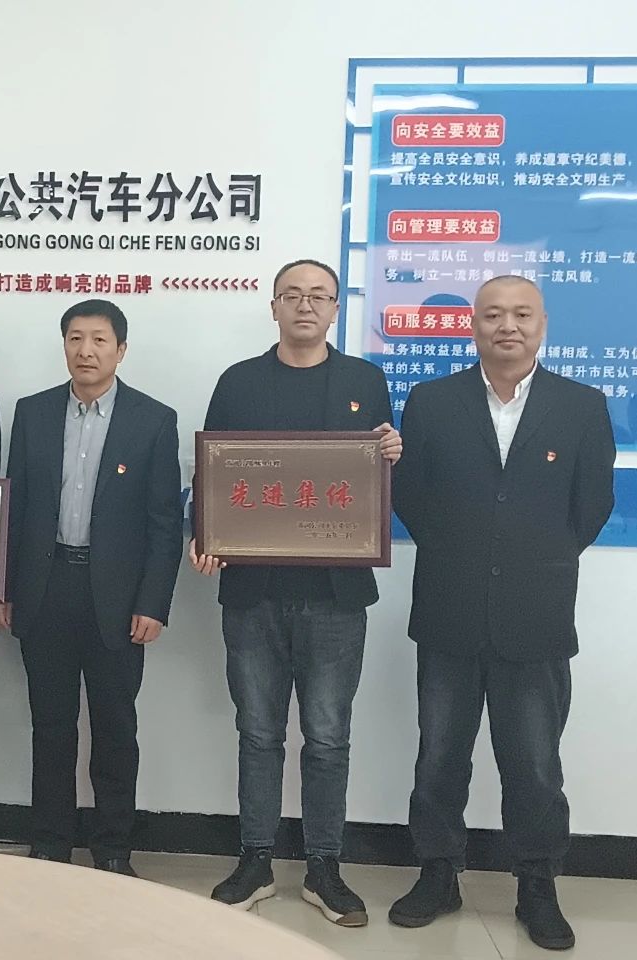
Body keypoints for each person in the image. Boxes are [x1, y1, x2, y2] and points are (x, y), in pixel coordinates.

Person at [389, 275, 615, 951]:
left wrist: (533, 558)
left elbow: (591, 506)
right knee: (439, 757)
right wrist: (462, 553)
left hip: (537, 614)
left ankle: (537, 885)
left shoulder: (581, 405)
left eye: (521, 314)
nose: (506, 326)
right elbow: (411, 497)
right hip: (449, 610)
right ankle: (437, 874)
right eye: (492, 314)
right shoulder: (432, 402)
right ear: (474, 325)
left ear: (542, 324)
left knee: (535, 765)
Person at [194, 259, 402, 926]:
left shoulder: (364, 382)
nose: (305, 305)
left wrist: (391, 453)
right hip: (252, 592)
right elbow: (210, 475)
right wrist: (204, 534)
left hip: (337, 596)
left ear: (336, 308)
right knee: (257, 734)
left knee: (328, 737)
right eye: (293, 295)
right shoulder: (239, 381)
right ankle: (255, 860)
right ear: (274, 306)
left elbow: (376, 484)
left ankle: (323, 868)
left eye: (319, 296)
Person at [0, 298, 183, 877]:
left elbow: (164, 523)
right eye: (75, 338)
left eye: (100, 340)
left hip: (119, 601)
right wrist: (4, 586)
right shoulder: (33, 413)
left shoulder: (154, 420)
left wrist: (153, 603)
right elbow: (15, 506)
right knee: (50, 726)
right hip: (45, 588)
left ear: (120, 350)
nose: (86, 350)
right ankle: (50, 844)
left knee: (115, 728)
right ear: (64, 346)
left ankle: (113, 848)